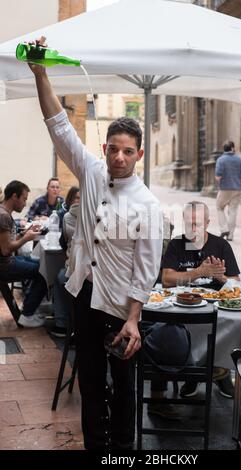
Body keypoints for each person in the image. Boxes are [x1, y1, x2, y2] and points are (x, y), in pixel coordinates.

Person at [29, 39, 162, 451]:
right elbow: (58, 123)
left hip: (123, 307)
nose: (119, 157)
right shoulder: (89, 172)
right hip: (84, 297)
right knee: (89, 384)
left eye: (127, 151)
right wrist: (40, 73)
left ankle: (120, 454)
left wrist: (134, 319)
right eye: (113, 149)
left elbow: (146, 269)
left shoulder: (148, 204)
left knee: (123, 389)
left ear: (138, 154)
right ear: (104, 149)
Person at [148, 201, 240, 415]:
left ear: (207, 222)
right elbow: (167, 279)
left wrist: (220, 277)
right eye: (189, 223)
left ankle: (218, 368)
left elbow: (236, 283)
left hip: (213, 310)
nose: (193, 229)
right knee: (162, 329)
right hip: (180, 310)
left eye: (197, 223)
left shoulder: (221, 246)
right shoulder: (176, 245)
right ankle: (164, 393)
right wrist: (198, 272)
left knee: (233, 325)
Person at [0, 180, 47, 328]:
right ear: (14, 196)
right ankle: (27, 314)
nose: (25, 203)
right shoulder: (3, 216)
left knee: (38, 263)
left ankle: (28, 308)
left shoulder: (5, 213)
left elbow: (8, 243)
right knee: (44, 272)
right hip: (4, 266)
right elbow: (6, 249)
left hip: (7, 261)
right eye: (24, 199)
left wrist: (25, 234)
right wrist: (26, 238)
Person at [51, 186, 80, 338]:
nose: (79, 201)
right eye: (77, 198)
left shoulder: (68, 216)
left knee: (60, 277)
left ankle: (61, 323)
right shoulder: (96, 214)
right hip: (93, 271)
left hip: (74, 270)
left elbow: (63, 243)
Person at [215, 140, 241, 241]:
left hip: (224, 189)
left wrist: (218, 182)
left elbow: (218, 176)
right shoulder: (239, 160)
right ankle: (231, 235)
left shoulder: (221, 160)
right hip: (237, 189)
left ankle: (224, 229)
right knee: (233, 212)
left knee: (219, 207)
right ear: (232, 148)